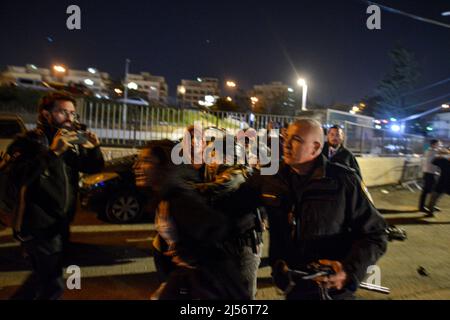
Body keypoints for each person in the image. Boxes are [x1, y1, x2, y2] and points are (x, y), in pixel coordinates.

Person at [233, 119, 387, 300]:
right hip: (291, 286)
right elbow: (232, 209)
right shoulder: (269, 176)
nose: (287, 144)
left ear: (315, 147)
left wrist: (348, 272)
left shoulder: (344, 181)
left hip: (331, 290)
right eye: (286, 137)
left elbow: (376, 233)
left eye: (296, 139)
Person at [7, 92, 104, 300]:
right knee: (52, 284)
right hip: (36, 225)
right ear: (46, 114)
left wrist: (93, 149)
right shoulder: (28, 143)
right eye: (62, 112)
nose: (70, 118)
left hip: (60, 224)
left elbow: (92, 167)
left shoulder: (68, 143)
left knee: (42, 280)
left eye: (72, 113)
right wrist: (52, 153)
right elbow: (17, 176)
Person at [419, 139, 446, 213]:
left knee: (433, 191)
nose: (440, 146)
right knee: (427, 191)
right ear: (433, 144)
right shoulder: (432, 152)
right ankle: (422, 207)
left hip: (431, 173)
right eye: (439, 144)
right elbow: (443, 154)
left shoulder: (432, 151)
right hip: (429, 173)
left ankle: (431, 205)